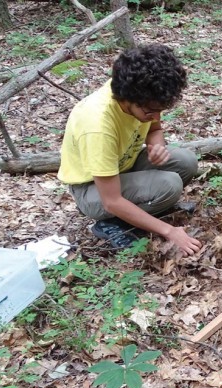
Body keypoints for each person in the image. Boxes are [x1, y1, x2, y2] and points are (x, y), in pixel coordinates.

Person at [58, 44, 202, 256]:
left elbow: (155, 128)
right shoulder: (97, 126)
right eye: (150, 111)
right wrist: (170, 231)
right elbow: (112, 200)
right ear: (128, 99)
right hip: (91, 189)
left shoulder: (142, 92)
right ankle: (110, 224)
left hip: (124, 164)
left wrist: (158, 145)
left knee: (186, 161)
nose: (156, 116)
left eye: (160, 110)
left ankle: (142, 209)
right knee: (169, 186)